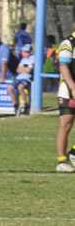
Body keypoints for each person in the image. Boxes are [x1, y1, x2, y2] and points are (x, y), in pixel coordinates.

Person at [55, 31, 75, 173]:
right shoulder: (68, 44)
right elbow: (63, 67)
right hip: (67, 90)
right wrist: (73, 87)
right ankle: (62, 161)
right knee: (66, 123)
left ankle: (73, 152)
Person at [7, 44, 34, 116]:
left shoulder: (33, 58)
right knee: (9, 88)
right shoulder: (23, 60)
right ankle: (15, 104)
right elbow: (17, 70)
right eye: (24, 52)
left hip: (26, 79)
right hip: (18, 78)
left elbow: (29, 70)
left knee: (20, 87)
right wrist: (24, 68)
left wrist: (23, 68)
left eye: (26, 52)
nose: (24, 53)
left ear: (30, 52)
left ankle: (24, 104)